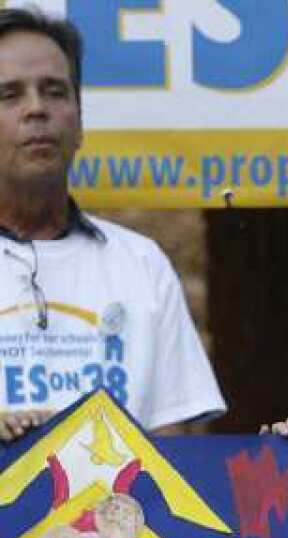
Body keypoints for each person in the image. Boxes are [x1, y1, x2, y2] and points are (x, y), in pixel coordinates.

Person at [0, 8, 225, 443]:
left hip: (122, 510)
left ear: (80, 120)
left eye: (55, 92)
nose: (36, 110)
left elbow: (174, 444)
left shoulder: (140, 262)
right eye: (9, 95)